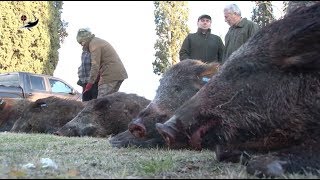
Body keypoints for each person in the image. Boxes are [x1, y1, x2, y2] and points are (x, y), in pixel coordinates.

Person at [76, 28, 128, 98]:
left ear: (85, 40)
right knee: (109, 102)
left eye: (81, 42)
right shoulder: (97, 41)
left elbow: (95, 65)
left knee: (100, 103)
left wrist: (90, 83)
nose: (81, 45)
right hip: (118, 74)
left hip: (110, 75)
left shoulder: (93, 44)